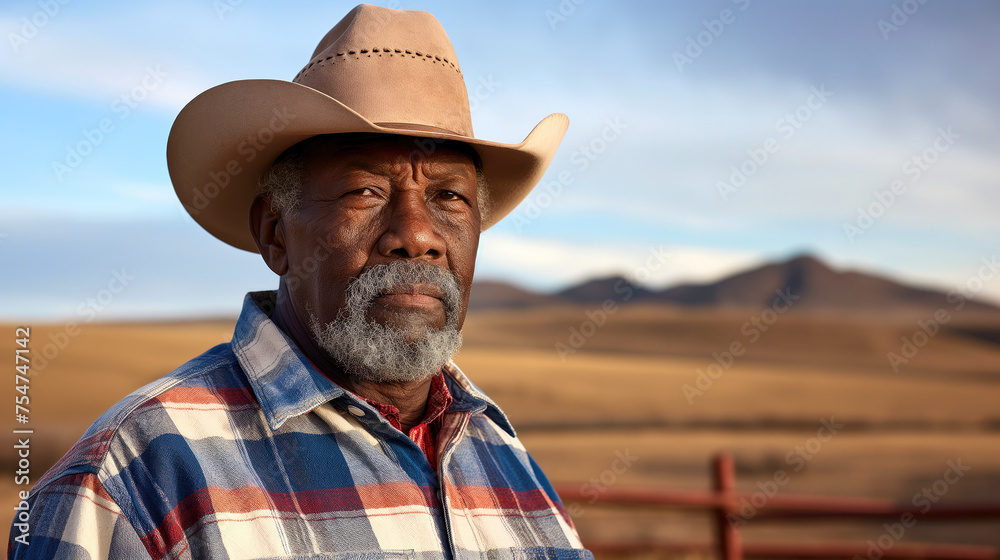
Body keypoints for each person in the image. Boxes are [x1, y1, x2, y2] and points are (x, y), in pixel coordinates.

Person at [8, 4, 589, 559]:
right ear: (276, 235)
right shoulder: (134, 477)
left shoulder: (505, 460)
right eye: (365, 190)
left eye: (450, 197)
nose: (417, 234)